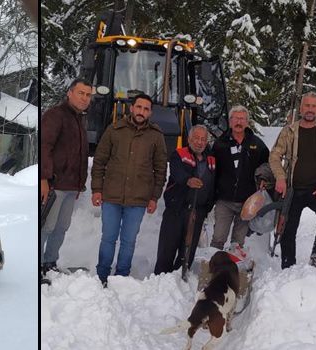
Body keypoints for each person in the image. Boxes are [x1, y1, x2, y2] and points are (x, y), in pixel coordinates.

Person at [91, 93, 167, 286]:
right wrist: (96, 189)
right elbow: (99, 161)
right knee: (108, 238)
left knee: (128, 241)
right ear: (131, 108)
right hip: (111, 196)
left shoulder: (156, 136)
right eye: (139, 107)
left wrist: (154, 197)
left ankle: (121, 278)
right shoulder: (114, 130)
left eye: (146, 109)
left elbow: (160, 170)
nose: (141, 112)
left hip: (138, 200)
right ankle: (102, 275)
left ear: (150, 113)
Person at [269, 92, 316, 272]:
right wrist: (280, 177)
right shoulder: (289, 131)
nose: (310, 110)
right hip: (293, 190)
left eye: (313, 106)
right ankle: (288, 266)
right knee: (288, 227)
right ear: (301, 108)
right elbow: (274, 155)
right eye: (307, 106)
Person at [40, 78, 92, 278]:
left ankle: (49, 262)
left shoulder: (79, 120)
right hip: (55, 185)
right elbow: (45, 146)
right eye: (81, 93)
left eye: (88, 95)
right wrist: (44, 179)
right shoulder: (56, 115)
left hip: (71, 187)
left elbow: (79, 154)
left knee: (62, 227)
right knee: (47, 226)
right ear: (70, 93)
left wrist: (80, 185)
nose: (85, 98)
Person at [154, 125, 215, 275]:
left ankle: (180, 279)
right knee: (167, 249)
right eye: (196, 138)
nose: (199, 142)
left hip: (197, 212)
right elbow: (177, 172)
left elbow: (214, 183)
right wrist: (188, 180)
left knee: (188, 251)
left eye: (203, 139)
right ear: (189, 139)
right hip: (176, 209)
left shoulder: (212, 159)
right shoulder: (179, 154)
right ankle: (161, 280)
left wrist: (207, 206)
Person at [210, 105, 269, 250]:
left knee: (238, 242)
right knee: (218, 238)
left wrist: (264, 178)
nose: (239, 122)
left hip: (247, 201)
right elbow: (211, 170)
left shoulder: (257, 144)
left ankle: (233, 269)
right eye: (235, 118)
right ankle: (213, 268)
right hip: (224, 200)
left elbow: (268, 164)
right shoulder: (219, 144)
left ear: (247, 122)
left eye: (242, 119)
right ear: (230, 122)